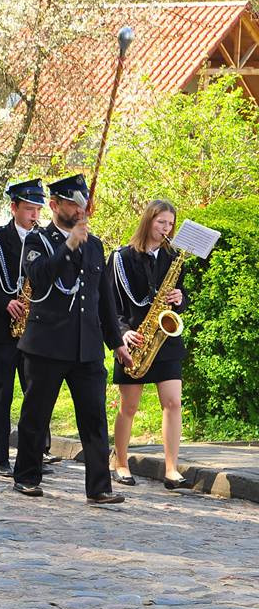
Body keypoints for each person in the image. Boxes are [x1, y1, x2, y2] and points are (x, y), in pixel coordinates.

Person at [12, 174, 133, 503]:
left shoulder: (95, 245)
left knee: (94, 418)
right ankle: (26, 477)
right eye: (71, 203)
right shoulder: (38, 241)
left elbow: (103, 298)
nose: (79, 209)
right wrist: (69, 245)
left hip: (87, 346)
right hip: (47, 344)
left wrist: (117, 341)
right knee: (36, 415)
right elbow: (37, 277)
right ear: (54, 205)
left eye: (82, 203)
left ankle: (99, 487)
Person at [0, 179, 53, 477]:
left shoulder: (43, 239)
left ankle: (34, 455)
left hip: (34, 331)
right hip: (1, 328)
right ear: (13, 207)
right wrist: (4, 303)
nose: (34, 215)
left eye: (37, 209)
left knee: (35, 393)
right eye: (28, 209)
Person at [107, 199, 191, 490]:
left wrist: (180, 299)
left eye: (170, 224)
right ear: (148, 221)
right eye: (161, 223)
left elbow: (182, 298)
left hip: (165, 340)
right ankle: (120, 461)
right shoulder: (121, 258)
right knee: (129, 406)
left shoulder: (174, 256)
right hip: (135, 338)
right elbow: (107, 303)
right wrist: (121, 333)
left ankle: (171, 468)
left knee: (173, 403)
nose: (166, 229)